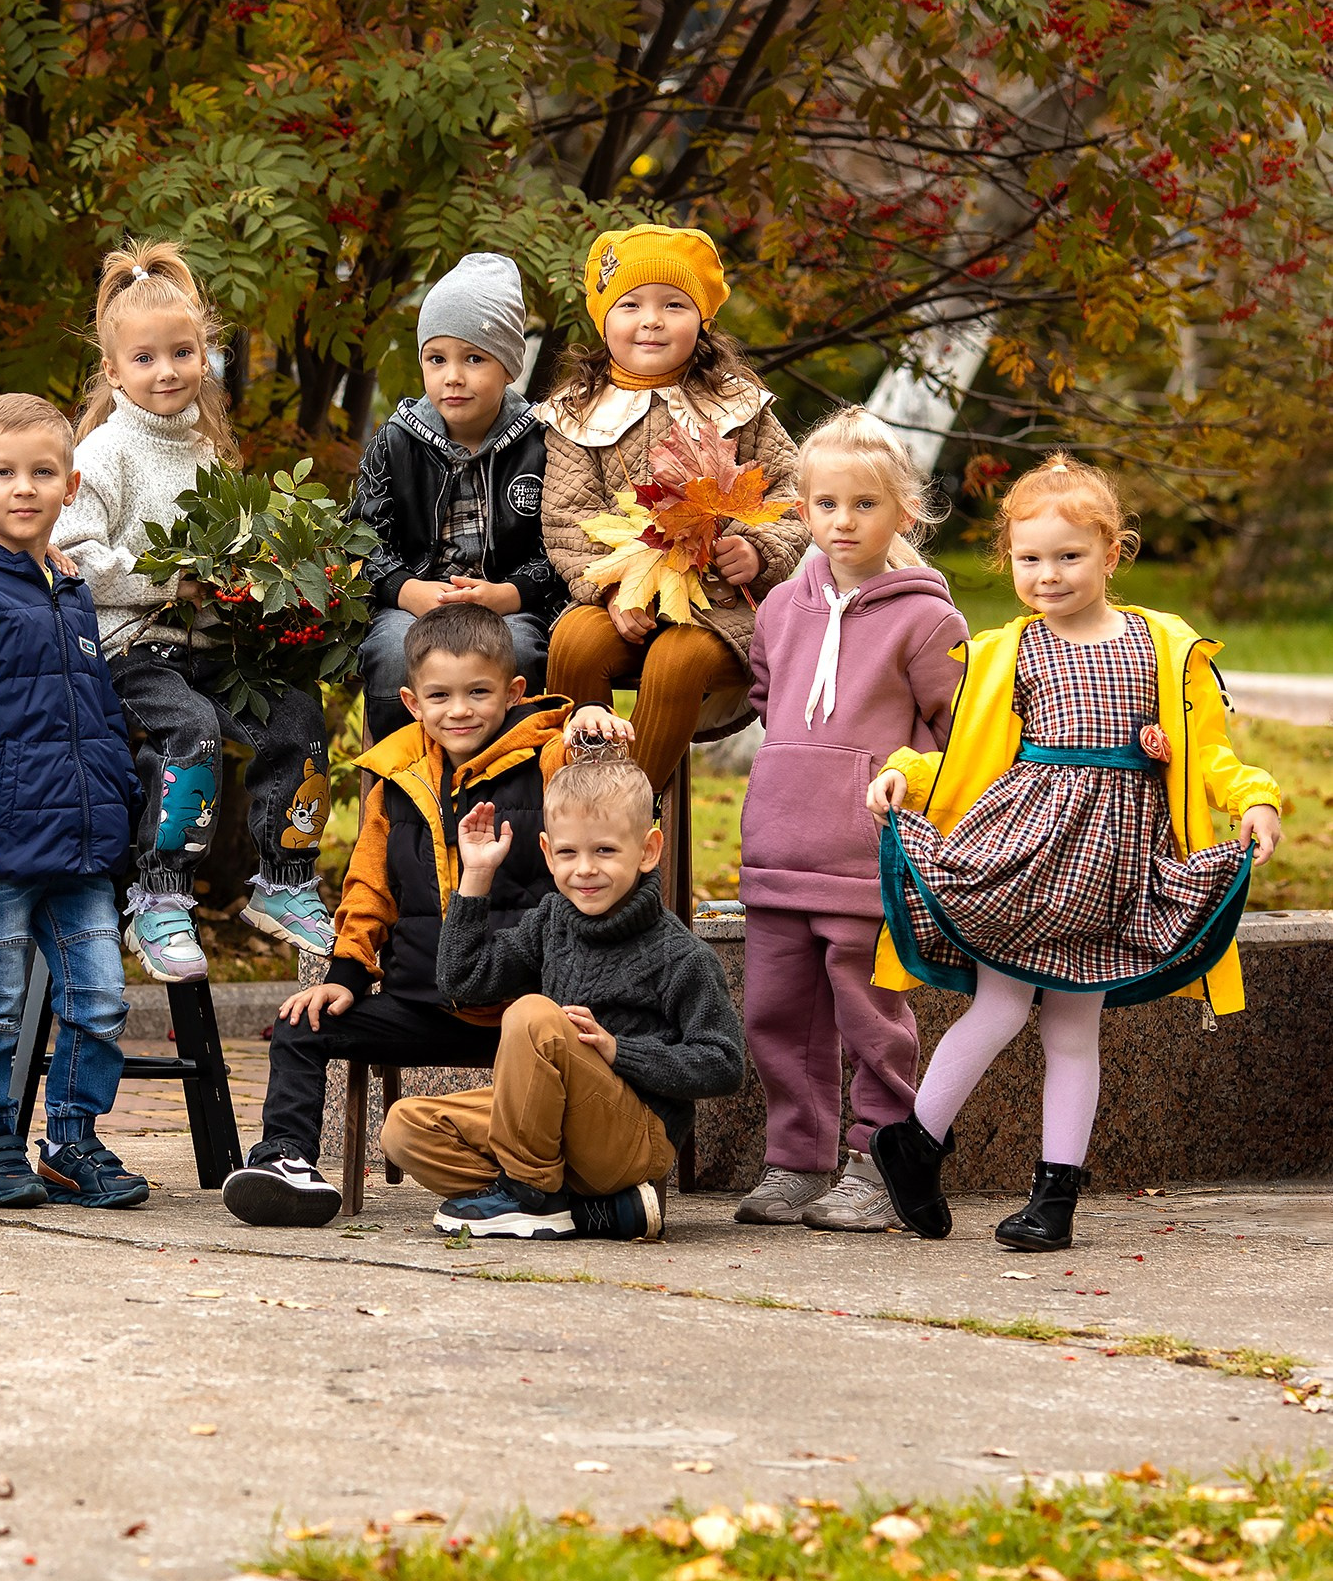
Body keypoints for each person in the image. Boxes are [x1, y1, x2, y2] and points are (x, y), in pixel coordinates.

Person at [866, 455, 1283, 1252]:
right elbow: (964, 755)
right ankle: (915, 1140)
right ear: (1007, 559)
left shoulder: (1162, 644)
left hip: (1115, 867)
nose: (1047, 575)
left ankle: (1055, 1197)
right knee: (998, 1006)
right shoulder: (1007, 650)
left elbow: (1210, 751)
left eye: (1069, 556)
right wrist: (903, 772)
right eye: (1029, 558)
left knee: (1073, 1032)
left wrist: (1252, 796)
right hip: (1028, 849)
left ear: (1113, 552)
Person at [221, 604, 628, 1227]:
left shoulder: (545, 761)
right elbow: (368, 890)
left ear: (514, 692)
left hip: (523, 1015)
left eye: (478, 693)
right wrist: (346, 975)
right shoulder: (396, 780)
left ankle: (549, 1179)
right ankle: (286, 1161)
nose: (458, 710)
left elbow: (605, 797)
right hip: (420, 1001)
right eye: (440, 695)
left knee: (543, 1045)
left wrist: (588, 725)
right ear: (412, 702)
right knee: (300, 1024)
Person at [52, 240, 334, 983]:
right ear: (114, 370)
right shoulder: (106, 452)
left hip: (208, 649)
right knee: (193, 731)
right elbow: (69, 554)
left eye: (182, 352)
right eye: (145, 359)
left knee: (298, 714)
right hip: (131, 650)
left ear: (204, 356)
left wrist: (259, 579)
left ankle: (285, 877)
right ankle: (160, 895)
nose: (167, 370)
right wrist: (169, 582)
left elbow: (227, 555)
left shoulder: (209, 450)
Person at [732, 407, 967, 1232]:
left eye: (865, 505)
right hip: (776, 848)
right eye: (827, 504)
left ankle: (878, 1163)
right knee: (776, 1015)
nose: (844, 520)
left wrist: (898, 794)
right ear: (803, 511)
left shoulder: (928, 620)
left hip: (867, 859)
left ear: (904, 512)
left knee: (874, 1021)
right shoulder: (777, 611)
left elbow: (954, 735)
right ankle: (796, 1160)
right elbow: (769, 701)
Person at [0, 392, 148, 1211]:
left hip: (84, 847)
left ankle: (72, 1140)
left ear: (70, 484)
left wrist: (120, 811)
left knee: (101, 998)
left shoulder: (71, 587)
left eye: (42, 473)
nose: (24, 487)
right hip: (0, 846)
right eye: (5, 472)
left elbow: (94, 714)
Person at [382, 751, 746, 1239]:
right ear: (548, 852)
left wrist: (620, 1051)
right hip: (555, 1130)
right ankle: (585, 1211)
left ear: (648, 850)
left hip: (633, 1135)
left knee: (534, 1015)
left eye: (606, 852)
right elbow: (462, 982)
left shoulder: (681, 955)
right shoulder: (552, 921)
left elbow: (723, 1063)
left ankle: (527, 1193)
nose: (585, 870)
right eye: (569, 853)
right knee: (405, 1129)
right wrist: (476, 878)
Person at [538, 226, 808, 793]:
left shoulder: (736, 402)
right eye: (630, 304)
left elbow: (793, 494)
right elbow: (567, 515)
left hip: (720, 602)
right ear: (603, 319)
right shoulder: (579, 411)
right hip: (623, 595)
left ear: (702, 320)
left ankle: (630, 808)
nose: (652, 319)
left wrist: (759, 550)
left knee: (676, 660)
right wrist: (613, 591)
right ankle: (570, 800)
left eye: (674, 304)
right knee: (573, 643)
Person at [349, 253, 563, 743]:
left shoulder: (543, 442)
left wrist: (511, 593)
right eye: (436, 358)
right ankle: (400, 795)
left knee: (524, 656)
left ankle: (509, 792)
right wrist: (407, 590)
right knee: (389, 655)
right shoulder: (397, 440)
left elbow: (561, 539)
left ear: (509, 366)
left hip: (507, 604)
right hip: (418, 600)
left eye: (474, 358)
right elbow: (362, 535)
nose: (453, 376)